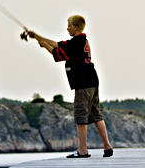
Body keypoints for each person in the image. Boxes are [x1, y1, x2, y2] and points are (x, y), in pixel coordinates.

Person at [27, 15, 113, 158]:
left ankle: (83, 150)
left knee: (81, 116)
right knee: (96, 114)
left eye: (69, 25)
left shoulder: (76, 42)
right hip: (92, 81)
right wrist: (37, 37)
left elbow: (58, 54)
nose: (67, 28)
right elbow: (57, 44)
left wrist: (43, 45)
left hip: (83, 83)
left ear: (75, 27)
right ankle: (107, 146)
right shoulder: (80, 41)